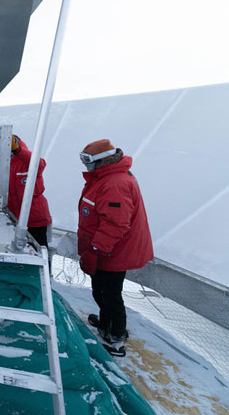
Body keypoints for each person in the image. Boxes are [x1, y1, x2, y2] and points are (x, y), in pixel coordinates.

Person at [77, 139, 153, 357]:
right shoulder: (105, 177)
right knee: (101, 289)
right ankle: (106, 323)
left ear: (102, 160)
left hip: (113, 251)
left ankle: (117, 338)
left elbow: (115, 224)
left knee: (110, 294)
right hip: (107, 249)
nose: (85, 165)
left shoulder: (115, 183)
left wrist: (94, 250)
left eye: (88, 161)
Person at [0, 134, 52, 248]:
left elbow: (40, 164)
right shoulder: (3, 167)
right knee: (20, 249)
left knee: (40, 248)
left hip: (35, 219)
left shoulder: (29, 163)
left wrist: (18, 151)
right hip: (15, 219)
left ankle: (46, 264)